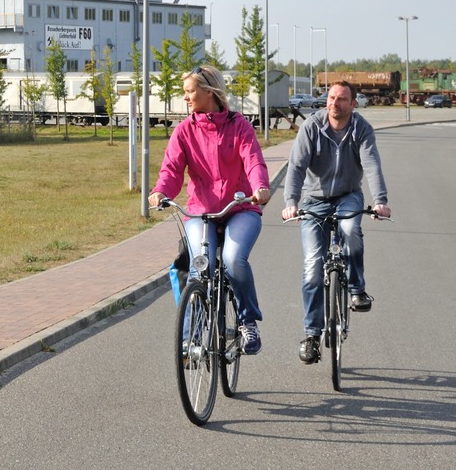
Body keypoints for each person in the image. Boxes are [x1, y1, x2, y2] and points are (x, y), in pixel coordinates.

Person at [149, 65, 273, 355]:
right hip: (201, 211)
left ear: (209, 91)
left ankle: (247, 323)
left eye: (190, 91)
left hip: (240, 207)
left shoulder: (238, 125)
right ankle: (190, 339)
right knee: (199, 266)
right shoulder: (184, 130)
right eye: (185, 92)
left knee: (233, 259)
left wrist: (260, 186)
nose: (185, 97)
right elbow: (171, 169)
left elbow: (253, 160)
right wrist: (161, 191)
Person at [281, 80, 391, 365]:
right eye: (331, 98)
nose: (335, 103)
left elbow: (371, 164)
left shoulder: (361, 128)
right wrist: (291, 202)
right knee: (312, 269)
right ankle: (311, 335)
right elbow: (296, 166)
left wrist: (380, 200)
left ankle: (356, 290)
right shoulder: (312, 127)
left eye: (342, 99)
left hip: (347, 196)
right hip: (314, 200)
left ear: (353, 103)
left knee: (350, 229)